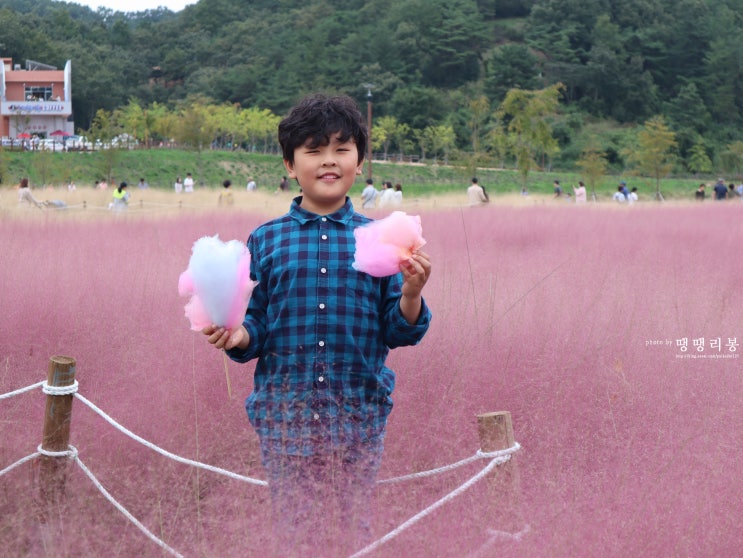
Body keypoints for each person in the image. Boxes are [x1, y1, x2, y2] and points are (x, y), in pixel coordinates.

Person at [201, 94, 432, 556]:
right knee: (294, 527)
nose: (329, 161)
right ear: (290, 164)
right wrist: (235, 334)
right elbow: (254, 327)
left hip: (359, 413)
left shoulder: (381, 239)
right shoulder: (266, 240)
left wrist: (411, 293)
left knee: (353, 528)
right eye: (314, 150)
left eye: (342, 149)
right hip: (284, 415)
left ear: (359, 162)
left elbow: (399, 329)